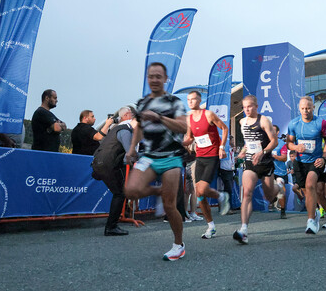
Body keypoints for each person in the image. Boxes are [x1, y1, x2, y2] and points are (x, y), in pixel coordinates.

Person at [124, 62, 188, 261]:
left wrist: (159, 118)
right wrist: (132, 148)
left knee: (169, 206)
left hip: (171, 157)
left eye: (158, 76)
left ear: (165, 79)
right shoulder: (142, 103)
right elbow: (139, 127)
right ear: (147, 78)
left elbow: (183, 127)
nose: (154, 80)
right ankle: (161, 191)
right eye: (151, 76)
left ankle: (178, 245)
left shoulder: (174, 102)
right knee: (131, 190)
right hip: (149, 157)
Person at [234, 95, 284, 244]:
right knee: (247, 193)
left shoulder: (264, 121)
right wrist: (243, 151)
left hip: (265, 162)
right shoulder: (242, 122)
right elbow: (248, 142)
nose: (247, 110)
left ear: (256, 106)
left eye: (249, 106)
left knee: (269, 196)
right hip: (250, 162)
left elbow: (274, 141)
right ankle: (243, 230)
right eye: (244, 107)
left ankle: (279, 186)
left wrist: (262, 152)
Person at [183, 91, 230, 240]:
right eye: (188, 100)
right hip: (200, 157)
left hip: (212, 156)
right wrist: (180, 143)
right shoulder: (189, 118)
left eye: (193, 99)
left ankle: (220, 196)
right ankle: (211, 226)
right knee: (200, 195)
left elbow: (224, 128)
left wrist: (222, 147)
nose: (190, 102)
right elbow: (190, 138)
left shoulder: (208, 114)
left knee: (201, 189)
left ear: (199, 100)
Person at [287, 96, 326, 234]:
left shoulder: (321, 123)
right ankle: (320, 215)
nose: (305, 111)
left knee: (310, 185)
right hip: (300, 163)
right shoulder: (293, 124)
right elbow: (289, 143)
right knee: (308, 193)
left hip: (316, 161)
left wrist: (324, 158)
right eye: (303, 108)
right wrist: (296, 147)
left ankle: (311, 221)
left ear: (313, 107)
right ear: (299, 109)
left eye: (308, 108)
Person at [91, 106, 135, 236]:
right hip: (107, 164)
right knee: (120, 193)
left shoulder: (115, 128)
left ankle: (112, 225)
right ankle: (111, 227)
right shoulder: (125, 130)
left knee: (119, 192)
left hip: (100, 162)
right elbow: (130, 152)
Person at [272, 125, 289, 219]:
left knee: (281, 191)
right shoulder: (266, 142)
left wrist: (274, 156)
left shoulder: (282, 143)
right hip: (269, 171)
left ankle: (282, 211)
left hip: (280, 172)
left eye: (273, 130)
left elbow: (284, 158)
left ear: (277, 132)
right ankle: (273, 197)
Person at [218, 136, 236, 215]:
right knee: (227, 190)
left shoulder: (232, 150)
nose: (233, 142)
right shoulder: (225, 149)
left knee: (229, 189)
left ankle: (229, 207)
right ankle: (227, 208)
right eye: (232, 141)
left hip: (231, 170)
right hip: (224, 170)